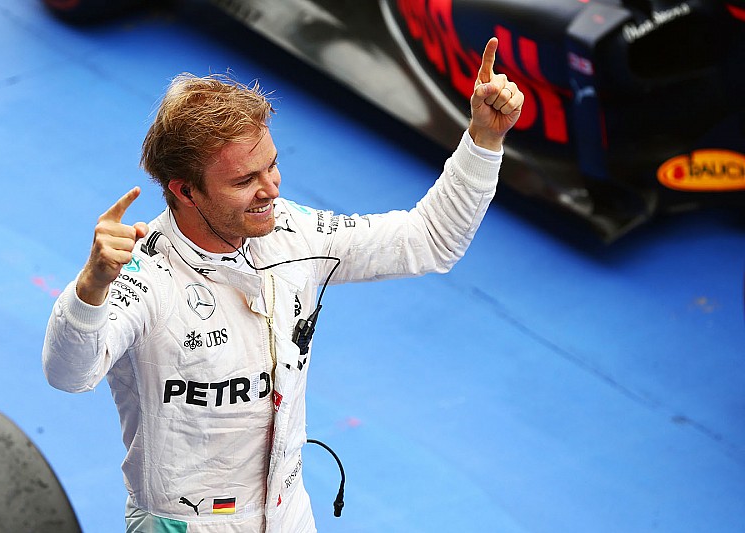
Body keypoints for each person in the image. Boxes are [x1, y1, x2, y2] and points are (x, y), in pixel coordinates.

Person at [42, 37, 523, 533]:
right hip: (184, 525)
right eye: (244, 180)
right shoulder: (144, 277)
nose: (271, 189)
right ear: (185, 190)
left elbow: (428, 241)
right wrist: (91, 287)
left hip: (287, 513)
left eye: (272, 165)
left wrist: (483, 140)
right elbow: (68, 374)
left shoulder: (292, 231)